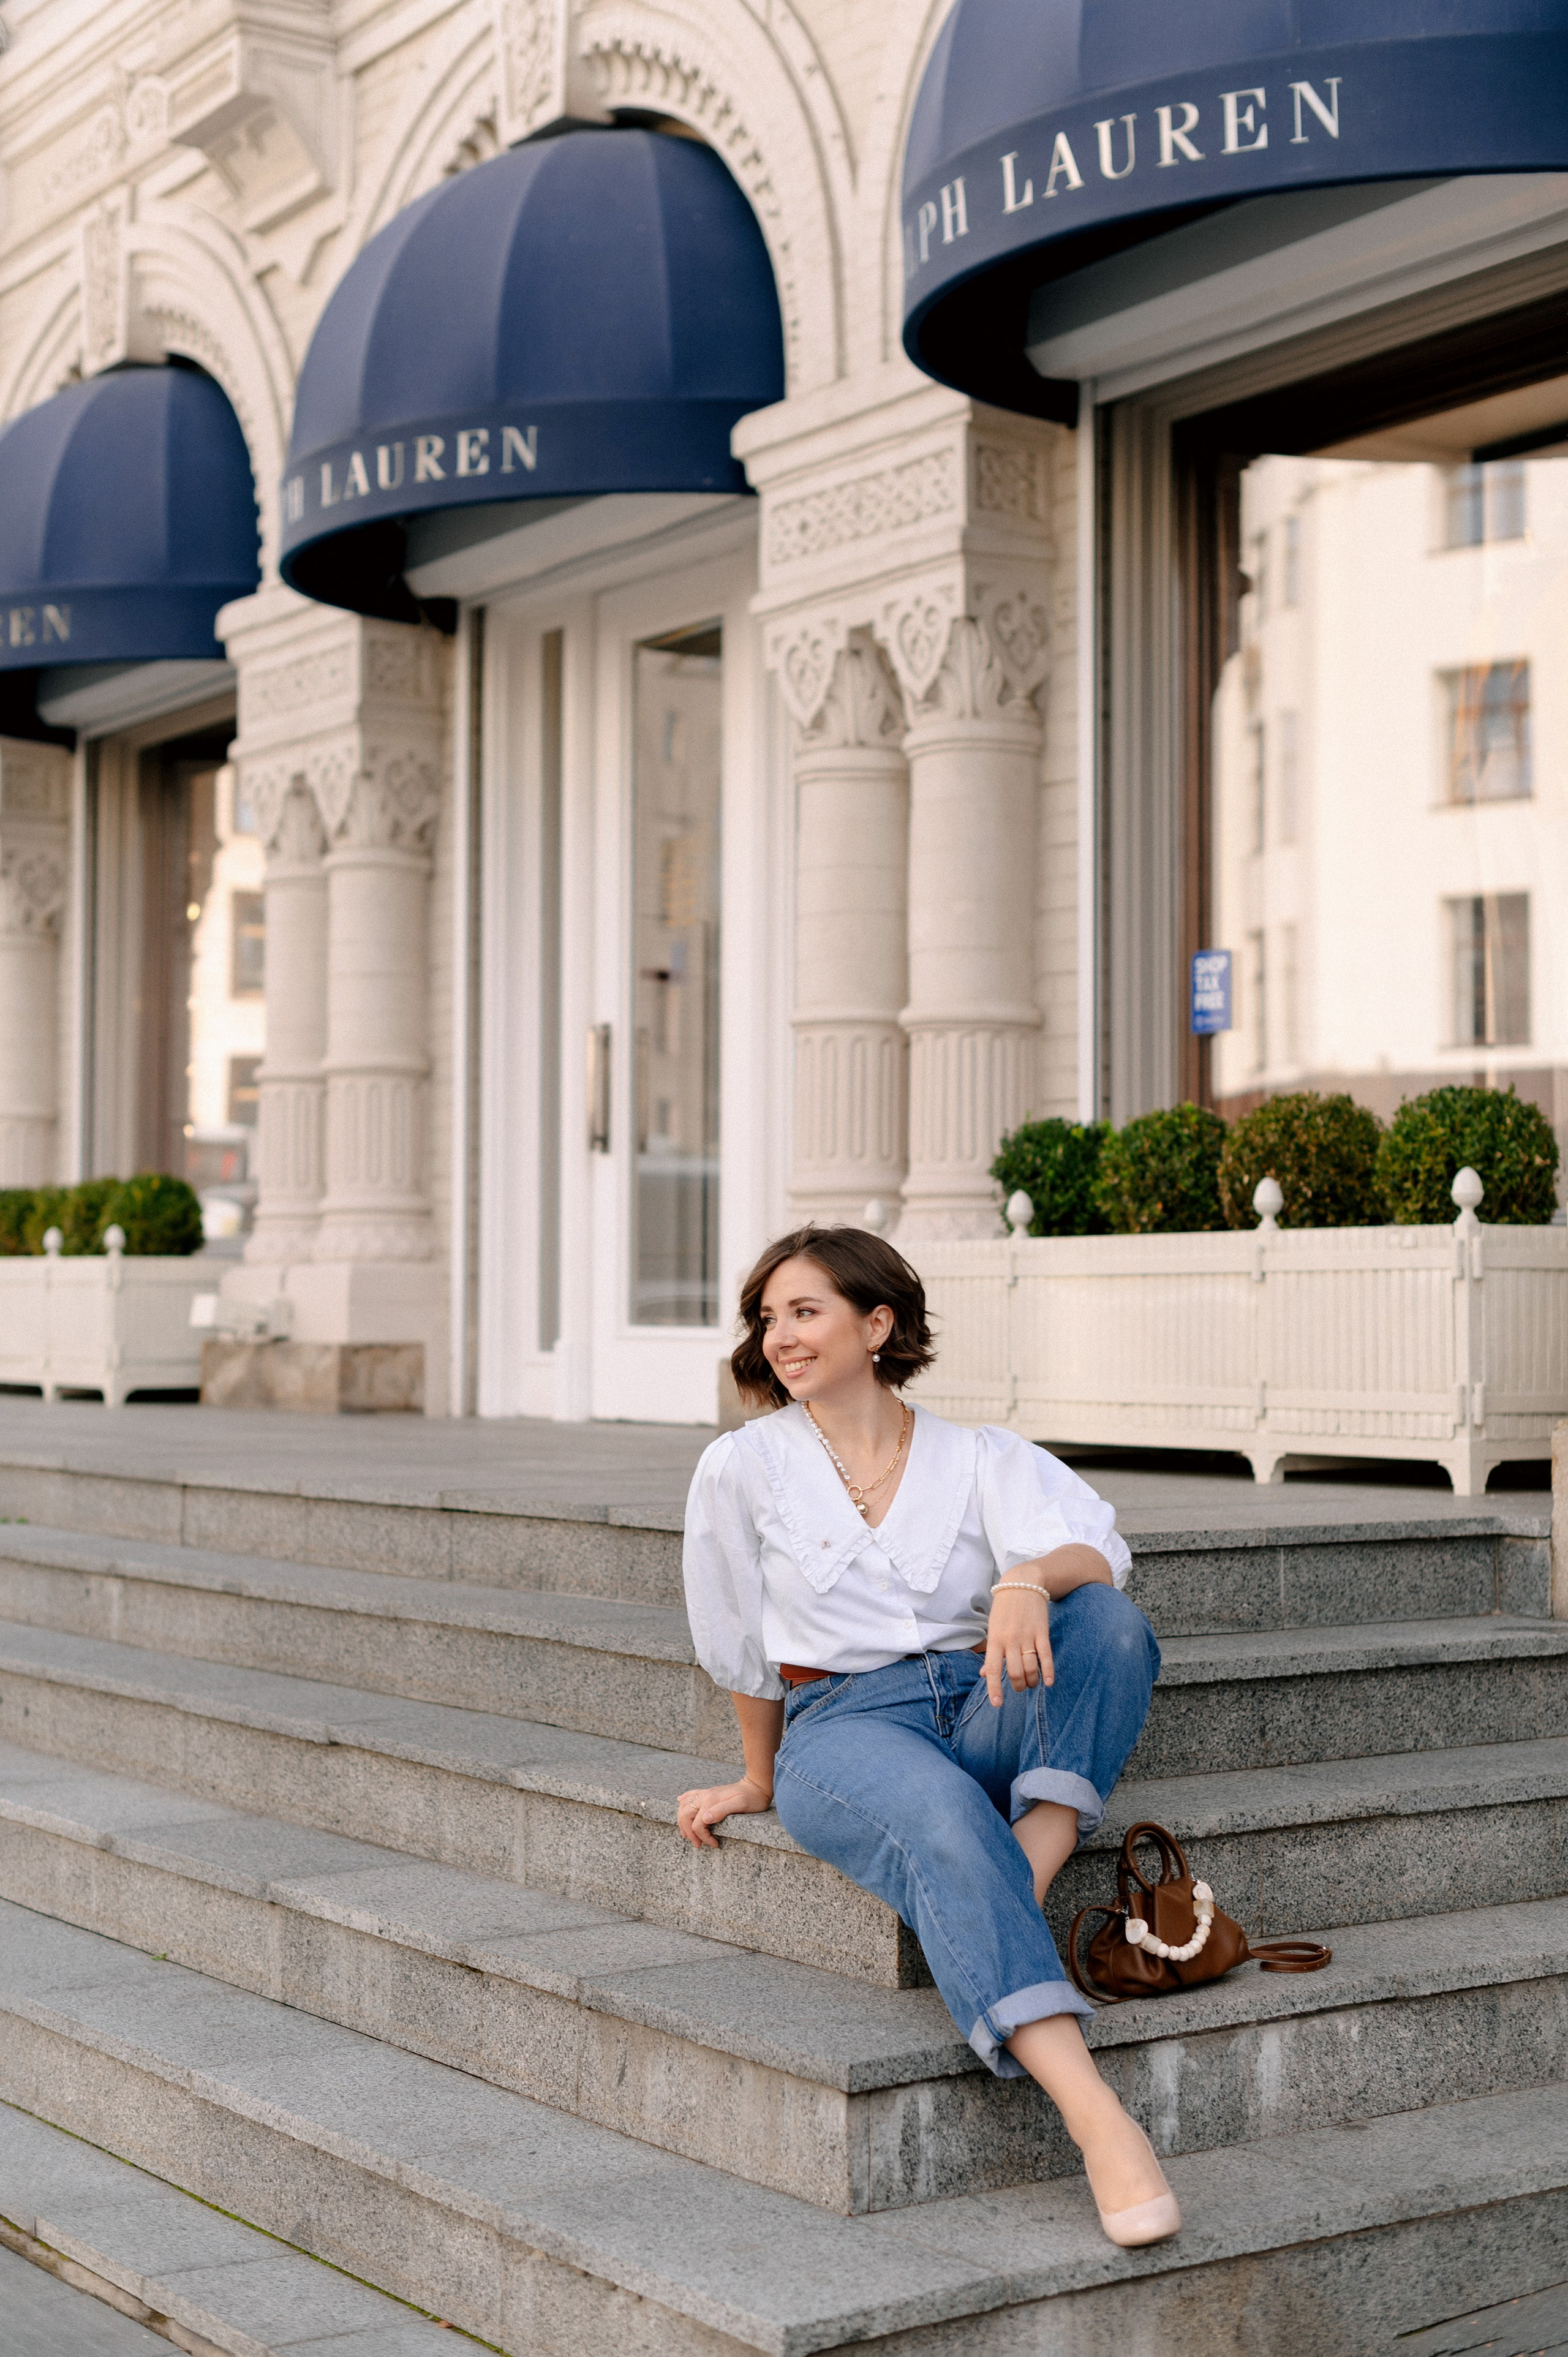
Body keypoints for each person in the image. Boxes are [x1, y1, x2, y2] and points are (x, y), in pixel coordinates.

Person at [676, 1224, 1177, 2247]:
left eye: (805, 1311)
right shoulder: (742, 1469)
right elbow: (739, 1646)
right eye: (768, 1318)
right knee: (946, 1815)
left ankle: (1018, 1868)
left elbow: (1102, 1551)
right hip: (845, 1725)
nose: (780, 1337)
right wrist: (757, 1778)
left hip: (990, 1693)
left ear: (878, 1322)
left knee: (1111, 1623)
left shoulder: (978, 1455)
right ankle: (1101, 2123)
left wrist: (1028, 1577)